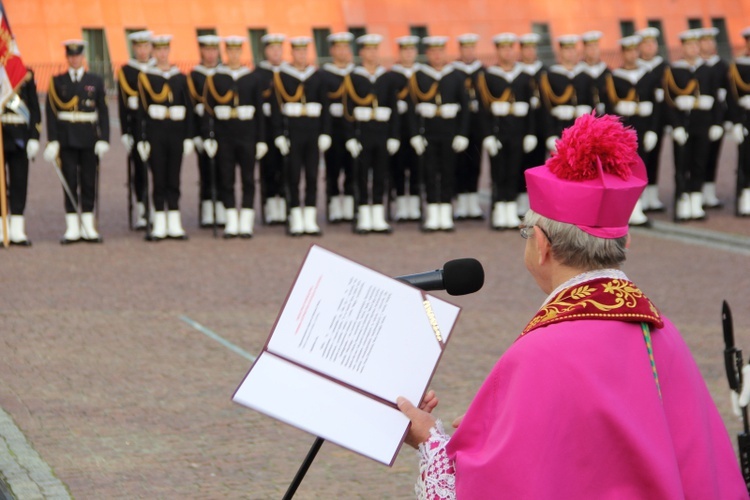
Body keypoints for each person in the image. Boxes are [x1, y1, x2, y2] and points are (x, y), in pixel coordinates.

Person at [397, 113, 748, 499]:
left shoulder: (542, 352)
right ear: (623, 245)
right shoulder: (662, 335)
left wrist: (429, 439)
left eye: (526, 233)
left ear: (542, 245)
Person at [44, 39, 110, 244]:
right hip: (67, 139)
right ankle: (72, 226)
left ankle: (88, 225)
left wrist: (104, 139)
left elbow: (104, 112)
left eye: (78, 55)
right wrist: (53, 140)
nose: (74, 59)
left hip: (89, 139)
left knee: (89, 181)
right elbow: (51, 113)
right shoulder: (57, 81)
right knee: (69, 181)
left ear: (83, 57)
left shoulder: (95, 81)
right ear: (67, 57)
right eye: (71, 56)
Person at [202, 36, 267, 238]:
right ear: (226, 53)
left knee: (248, 179)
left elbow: (259, 112)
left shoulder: (252, 79)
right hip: (225, 135)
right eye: (230, 51)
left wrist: (261, 139)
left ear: (241, 53)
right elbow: (208, 111)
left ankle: (245, 221)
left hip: (247, 134)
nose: (234, 55)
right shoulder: (215, 78)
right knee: (226, 178)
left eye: (237, 51)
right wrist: (208, 137)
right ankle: (231, 220)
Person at [407, 36, 470, 232]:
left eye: (440, 51)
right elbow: (411, 109)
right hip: (428, 133)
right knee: (429, 173)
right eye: (433, 51)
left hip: (449, 133)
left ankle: (445, 212)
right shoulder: (418, 76)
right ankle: (433, 213)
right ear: (427, 54)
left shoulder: (456, 76)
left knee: (448, 172)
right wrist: (414, 134)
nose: (437, 55)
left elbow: (465, 108)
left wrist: (462, 134)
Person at [270, 36, 331, 236]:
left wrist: (325, 132)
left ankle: (310, 218)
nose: (301, 55)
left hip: (312, 132)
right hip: (293, 132)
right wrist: (279, 133)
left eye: (304, 51)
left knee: (312, 176)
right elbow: (276, 108)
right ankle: (296, 216)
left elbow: (325, 107)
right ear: (292, 53)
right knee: (293, 175)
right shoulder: (282, 77)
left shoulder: (317, 76)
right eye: (297, 51)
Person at [135, 34, 194, 241]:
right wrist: (141, 138)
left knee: (174, 177)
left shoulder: (180, 77)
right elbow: (141, 111)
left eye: (164, 50)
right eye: (158, 50)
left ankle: (174, 222)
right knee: (158, 177)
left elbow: (189, 109)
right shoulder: (147, 78)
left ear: (169, 51)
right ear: (154, 52)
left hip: (176, 131)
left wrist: (189, 137)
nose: (161, 54)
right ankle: (159, 221)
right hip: (156, 132)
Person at [476, 32, 537, 230]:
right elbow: (484, 110)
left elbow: (532, 108)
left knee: (513, 171)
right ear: (497, 50)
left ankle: (509, 211)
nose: (507, 52)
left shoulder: (524, 77)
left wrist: (530, 132)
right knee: (498, 172)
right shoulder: (488, 76)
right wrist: (487, 135)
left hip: (518, 132)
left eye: (510, 48)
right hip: (498, 132)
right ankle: (498, 210)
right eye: (503, 48)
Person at [663, 29, 724, 222]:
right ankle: (682, 201)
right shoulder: (674, 70)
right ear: (683, 47)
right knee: (682, 164)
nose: (693, 48)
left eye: (696, 45)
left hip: (702, 124)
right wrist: (676, 125)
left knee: (699, 162)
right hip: (683, 125)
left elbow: (717, 98)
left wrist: (717, 123)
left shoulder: (707, 70)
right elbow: (668, 101)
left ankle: (695, 202)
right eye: (689, 45)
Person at [343, 33, 399, 234]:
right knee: (361, 175)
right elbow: (348, 110)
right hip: (362, 133)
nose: (372, 53)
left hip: (382, 133)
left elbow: (394, 109)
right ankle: (364, 215)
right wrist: (350, 136)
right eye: (368, 49)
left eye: (375, 49)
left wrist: (394, 135)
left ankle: (378, 215)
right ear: (361, 53)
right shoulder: (353, 77)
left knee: (381, 175)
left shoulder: (387, 77)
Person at [604, 35, 660, 227]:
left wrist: (653, 130)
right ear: (623, 53)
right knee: (622, 170)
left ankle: (638, 208)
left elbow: (656, 104)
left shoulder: (648, 76)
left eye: (634, 50)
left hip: (643, 129)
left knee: (640, 169)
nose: (632, 54)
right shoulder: (614, 78)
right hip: (623, 131)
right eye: (628, 51)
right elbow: (609, 107)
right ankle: (624, 210)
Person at [117, 30, 154, 230]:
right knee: (139, 171)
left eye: (145, 46)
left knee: (159, 169)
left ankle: (157, 208)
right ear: (134, 48)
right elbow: (123, 105)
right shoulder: (127, 72)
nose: (142, 51)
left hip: (157, 128)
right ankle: (142, 208)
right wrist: (125, 132)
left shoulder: (158, 69)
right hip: (137, 129)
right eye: (138, 47)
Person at [1, 66, 41, 246]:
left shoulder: (23, 73)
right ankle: (1, 229)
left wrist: (34, 136)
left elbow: (34, 107)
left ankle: (17, 229)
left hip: (19, 137)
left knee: (19, 182)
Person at [188, 34, 224, 228]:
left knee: (224, 171)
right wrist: (194, 135)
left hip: (224, 131)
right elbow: (191, 109)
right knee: (205, 171)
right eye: (207, 50)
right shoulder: (195, 76)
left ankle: (222, 206)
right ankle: (208, 207)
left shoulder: (223, 74)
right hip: (203, 130)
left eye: (213, 50)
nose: (210, 54)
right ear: (201, 51)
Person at [321, 32, 356, 223]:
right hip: (334, 129)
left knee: (352, 169)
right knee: (333, 168)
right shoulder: (324, 74)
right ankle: (334, 206)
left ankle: (350, 206)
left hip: (353, 128)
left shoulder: (355, 73)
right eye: (339, 47)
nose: (343, 51)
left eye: (345, 47)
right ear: (332, 50)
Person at [253, 33, 287, 225]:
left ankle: (283, 204)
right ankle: (269, 205)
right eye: (272, 49)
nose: (276, 52)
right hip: (266, 129)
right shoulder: (258, 74)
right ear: (265, 51)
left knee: (286, 168)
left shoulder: (287, 73)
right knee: (268, 168)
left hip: (285, 128)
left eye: (278, 48)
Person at [387, 35, 422, 222]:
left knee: (417, 167)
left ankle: (414, 204)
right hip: (399, 128)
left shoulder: (422, 74)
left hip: (419, 128)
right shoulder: (392, 75)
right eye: (405, 50)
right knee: (398, 167)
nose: (408, 54)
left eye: (411, 50)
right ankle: (401, 203)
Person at [451, 33, 485, 221]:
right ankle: (462, 202)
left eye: (471, 48)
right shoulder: (454, 72)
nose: (468, 51)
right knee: (460, 163)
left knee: (476, 163)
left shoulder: (482, 71)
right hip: (459, 125)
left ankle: (473, 201)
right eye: (465, 48)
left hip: (478, 124)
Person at [636, 26, 669, 212]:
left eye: (653, 43)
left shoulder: (663, 67)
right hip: (639, 121)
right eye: (646, 43)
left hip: (659, 120)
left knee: (655, 157)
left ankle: (652, 196)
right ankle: (639, 197)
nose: (650, 47)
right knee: (639, 160)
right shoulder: (636, 67)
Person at [539, 35, 589, 154]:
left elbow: (592, 103)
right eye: (566, 49)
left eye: (572, 49)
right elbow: (545, 108)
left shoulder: (585, 76)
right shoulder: (550, 76)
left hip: (582, 130)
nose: (570, 53)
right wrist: (550, 135)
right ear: (560, 52)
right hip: (559, 128)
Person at [699, 26, 729, 209]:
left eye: (711, 40)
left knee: (713, 155)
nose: (709, 44)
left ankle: (709, 191)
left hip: (717, 116)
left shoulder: (722, 66)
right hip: (699, 118)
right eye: (705, 41)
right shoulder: (695, 67)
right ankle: (695, 191)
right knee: (696, 157)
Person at [517, 32, 546, 218]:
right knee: (520, 164)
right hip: (522, 126)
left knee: (540, 165)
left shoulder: (544, 72)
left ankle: (537, 202)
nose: (530, 51)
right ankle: (520, 200)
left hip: (541, 124)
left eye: (532, 48)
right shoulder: (517, 73)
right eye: (526, 48)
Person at [727, 26, 750, 216]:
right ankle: (744, 197)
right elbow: (732, 98)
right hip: (745, 118)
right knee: (746, 159)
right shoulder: (737, 66)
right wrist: (735, 122)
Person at [580, 30, 610, 115]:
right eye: (590, 46)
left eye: (596, 46)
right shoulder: (579, 73)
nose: (593, 50)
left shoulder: (607, 72)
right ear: (584, 49)